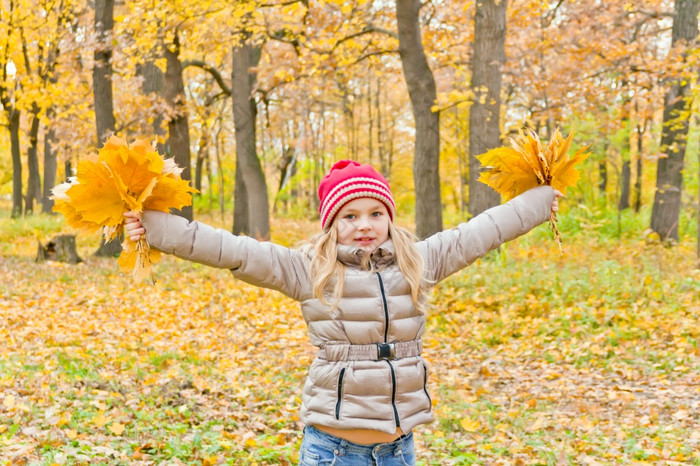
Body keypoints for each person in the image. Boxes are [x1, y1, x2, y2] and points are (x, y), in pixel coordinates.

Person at [124, 160, 561, 465]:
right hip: (333, 451)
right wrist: (156, 227)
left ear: (389, 217)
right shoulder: (306, 269)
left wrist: (541, 201)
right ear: (331, 224)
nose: (365, 224)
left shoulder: (419, 262)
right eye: (349, 215)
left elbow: (482, 231)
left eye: (375, 213)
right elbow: (230, 249)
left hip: (398, 450)